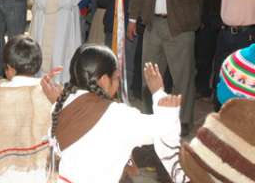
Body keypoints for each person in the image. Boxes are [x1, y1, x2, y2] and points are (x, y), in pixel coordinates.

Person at [42, 44, 181, 183]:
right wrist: (159, 94)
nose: (118, 82)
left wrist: (58, 101)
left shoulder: (62, 104)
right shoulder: (120, 117)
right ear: (104, 80)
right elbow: (164, 133)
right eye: (116, 77)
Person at [127, 0, 203, 135]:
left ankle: (183, 122)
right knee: (149, 75)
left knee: (182, 78)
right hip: (154, 26)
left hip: (179, 29)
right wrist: (133, 19)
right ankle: (150, 117)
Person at [0, 35, 50, 183]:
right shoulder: (47, 90)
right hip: (40, 170)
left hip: (4, 170)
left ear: (9, 68)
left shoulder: (0, 90)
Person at [209, 0, 255, 110]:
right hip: (225, 33)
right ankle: (217, 118)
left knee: (241, 83)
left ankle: (236, 125)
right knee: (221, 77)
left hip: (246, 37)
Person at [97, 0, 139, 92]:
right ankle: (109, 92)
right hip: (110, 26)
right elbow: (100, 0)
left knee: (127, 64)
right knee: (109, 63)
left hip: (128, 26)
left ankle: (125, 94)